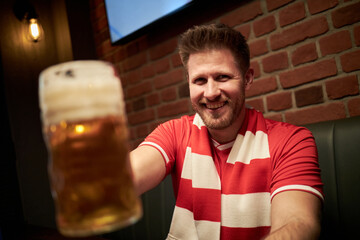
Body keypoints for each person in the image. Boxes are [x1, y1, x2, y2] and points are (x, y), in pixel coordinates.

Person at [130, 23, 323, 240]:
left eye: (222, 77)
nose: (210, 93)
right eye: (200, 80)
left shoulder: (292, 141)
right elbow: (124, 178)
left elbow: (298, 223)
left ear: (247, 78)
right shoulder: (174, 133)